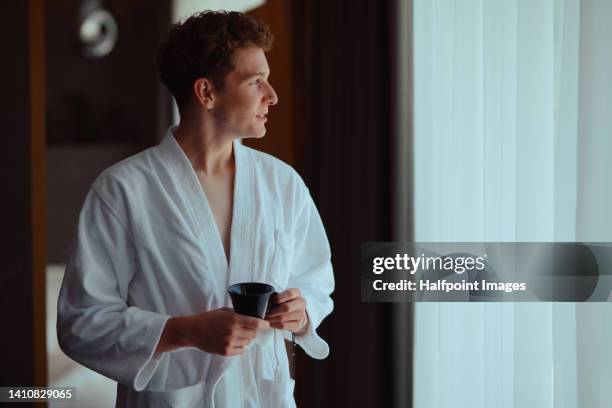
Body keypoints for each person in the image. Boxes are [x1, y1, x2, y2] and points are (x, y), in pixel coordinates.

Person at [57, 10, 334, 408]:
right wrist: (181, 332)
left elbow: (315, 279)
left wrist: (301, 310)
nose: (272, 95)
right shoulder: (123, 190)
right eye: (256, 82)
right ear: (206, 93)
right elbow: (80, 323)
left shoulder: (282, 183)